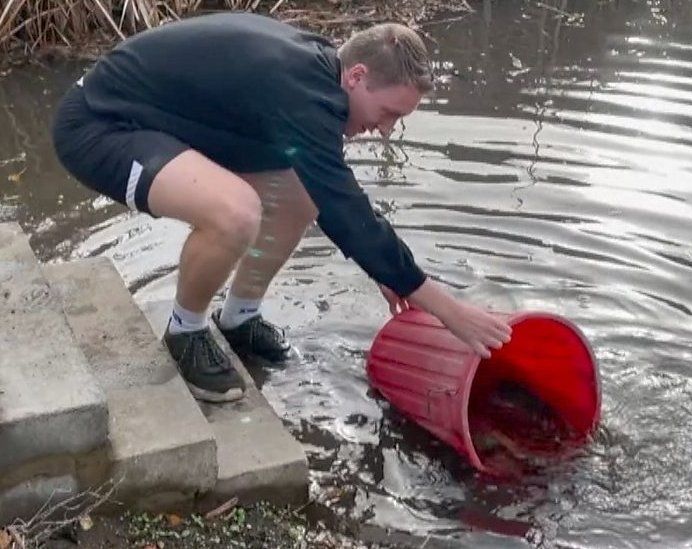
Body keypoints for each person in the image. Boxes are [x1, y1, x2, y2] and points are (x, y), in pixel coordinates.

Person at [51, 12, 512, 403]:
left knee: (300, 191)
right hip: (101, 125)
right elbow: (346, 210)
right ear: (357, 77)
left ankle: (239, 319)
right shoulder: (303, 91)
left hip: (160, 123)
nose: (387, 130)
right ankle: (185, 333)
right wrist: (445, 307)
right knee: (236, 212)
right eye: (389, 113)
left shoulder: (316, 74)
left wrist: (387, 271)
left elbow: (332, 196)